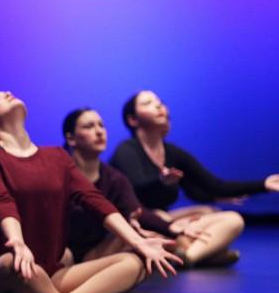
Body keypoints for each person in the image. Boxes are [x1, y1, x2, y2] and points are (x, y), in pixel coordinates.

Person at [0, 91, 181, 293]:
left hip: (51, 274)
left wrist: (138, 242)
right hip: (1, 278)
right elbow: (2, 199)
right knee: (13, 263)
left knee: (134, 263)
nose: (7, 93)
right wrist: (17, 242)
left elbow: (94, 199)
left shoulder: (57, 157)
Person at [110, 90, 279, 266]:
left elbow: (214, 185)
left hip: (166, 220)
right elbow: (136, 192)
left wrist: (264, 184)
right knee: (161, 215)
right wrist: (161, 182)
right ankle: (209, 254)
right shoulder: (127, 150)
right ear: (133, 120)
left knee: (228, 218)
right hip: (140, 223)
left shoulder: (173, 153)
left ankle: (189, 257)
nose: (159, 105)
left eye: (160, 101)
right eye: (147, 103)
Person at [62, 107, 209, 263]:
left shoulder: (113, 178)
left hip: (105, 248)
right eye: (89, 126)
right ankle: (204, 255)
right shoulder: (61, 175)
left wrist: (171, 227)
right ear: (71, 138)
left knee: (225, 218)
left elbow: (136, 210)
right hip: (73, 253)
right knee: (138, 244)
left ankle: (193, 256)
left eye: (101, 125)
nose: (99, 132)